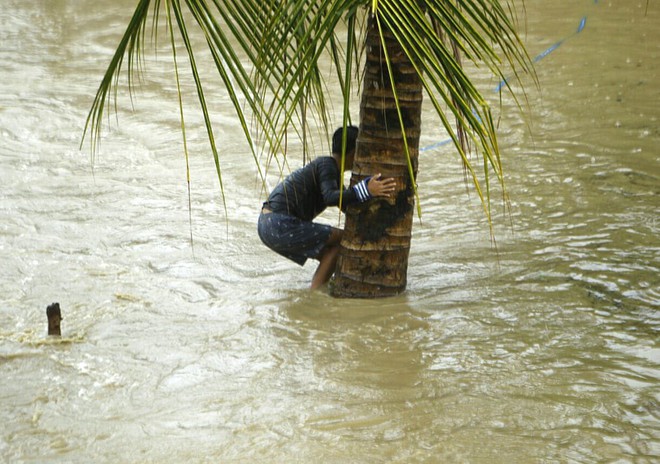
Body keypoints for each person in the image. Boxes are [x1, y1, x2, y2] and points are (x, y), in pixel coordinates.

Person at [258, 126, 396, 289]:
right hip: (278, 223)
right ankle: (315, 293)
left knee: (331, 252)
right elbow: (331, 197)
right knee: (342, 238)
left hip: (268, 226)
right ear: (354, 152)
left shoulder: (330, 173)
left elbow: (345, 205)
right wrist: (366, 189)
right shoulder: (327, 164)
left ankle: (317, 297)